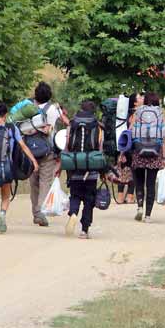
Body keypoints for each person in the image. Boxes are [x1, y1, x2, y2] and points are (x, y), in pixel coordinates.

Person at [0, 102, 39, 234]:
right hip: (6, 167)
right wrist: (34, 161)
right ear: (6, 115)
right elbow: (23, 146)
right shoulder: (11, 128)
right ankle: (2, 214)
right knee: (6, 196)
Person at [59, 100, 105, 239]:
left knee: (75, 195)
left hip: (74, 167)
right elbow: (100, 148)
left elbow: (67, 145)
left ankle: (73, 213)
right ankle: (84, 230)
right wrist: (103, 172)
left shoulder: (72, 124)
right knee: (89, 199)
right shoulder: (98, 127)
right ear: (93, 112)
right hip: (91, 169)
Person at [29, 82, 71, 227]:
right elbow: (67, 123)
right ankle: (40, 212)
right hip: (47, 150)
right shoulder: (53, 109)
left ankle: (35, 213)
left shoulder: (28, 107)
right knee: (45, 182)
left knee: (34, 183)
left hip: (30, 151)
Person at [131, 92, 165, 222]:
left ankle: (140, 206)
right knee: (150, 184)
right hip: (155, 152)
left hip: (139, 151)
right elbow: (162, 135)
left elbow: (131, 128)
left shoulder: (138, 111)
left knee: (139, 182)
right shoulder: (160, 113)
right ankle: (148, 215)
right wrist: (163, 155)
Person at [114, 92, 142, 204]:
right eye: (140, 97)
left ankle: (120, 197)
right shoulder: (136, 113)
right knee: (133, 171)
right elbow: (130, 129)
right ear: (135, 102)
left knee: (123, 171)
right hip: (131, 146)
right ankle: (130, 197)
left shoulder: (125, 113)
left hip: (122, 144)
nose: (142, 98)